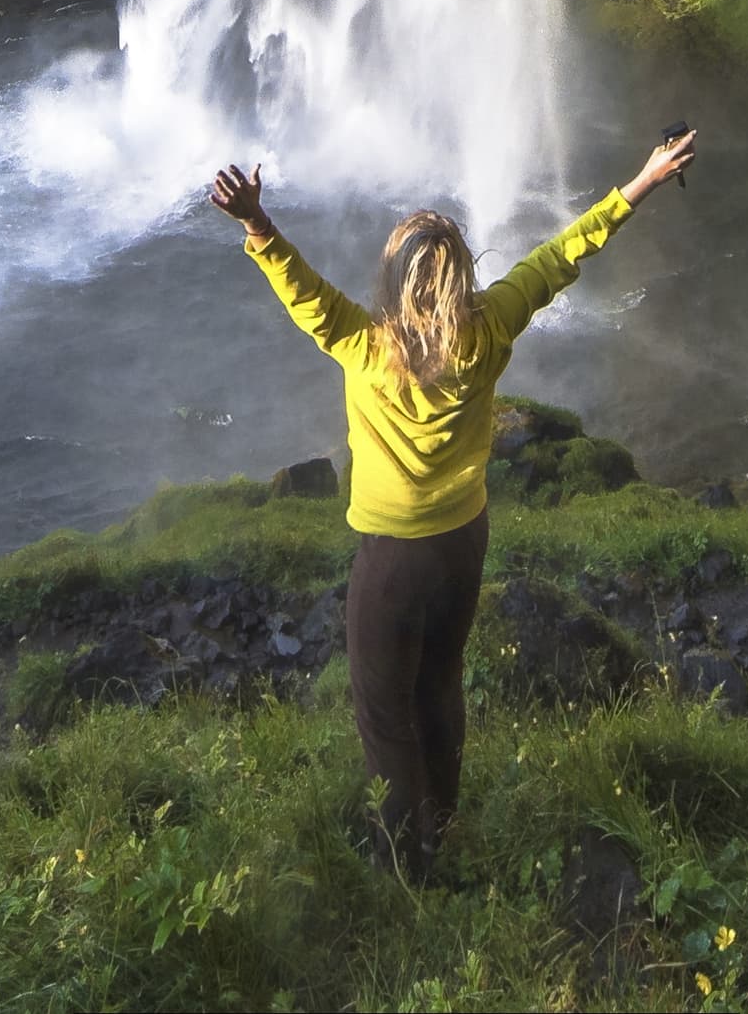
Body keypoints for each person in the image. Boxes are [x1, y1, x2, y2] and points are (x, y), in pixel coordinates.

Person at [209, 123, 703, 876]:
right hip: (462, 539)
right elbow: (564, 254)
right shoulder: (492, 327)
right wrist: (641, 181)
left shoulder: (362, 344)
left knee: (383, 712)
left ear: (396, 286)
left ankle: (409, 865)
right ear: (462, 279)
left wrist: (256, 221)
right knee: (439, 682)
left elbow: (299, 286)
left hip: (393, 559)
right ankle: (444, 815)